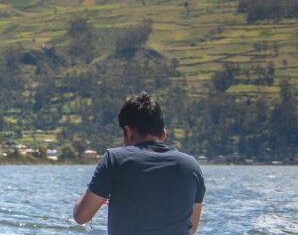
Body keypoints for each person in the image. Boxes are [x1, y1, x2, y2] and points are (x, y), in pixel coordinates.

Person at [73, 92, 206, 234]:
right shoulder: (191, 166)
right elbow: (191, 229)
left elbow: (81, 216)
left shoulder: (114, 160)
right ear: (163, 134)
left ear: (127, 132)